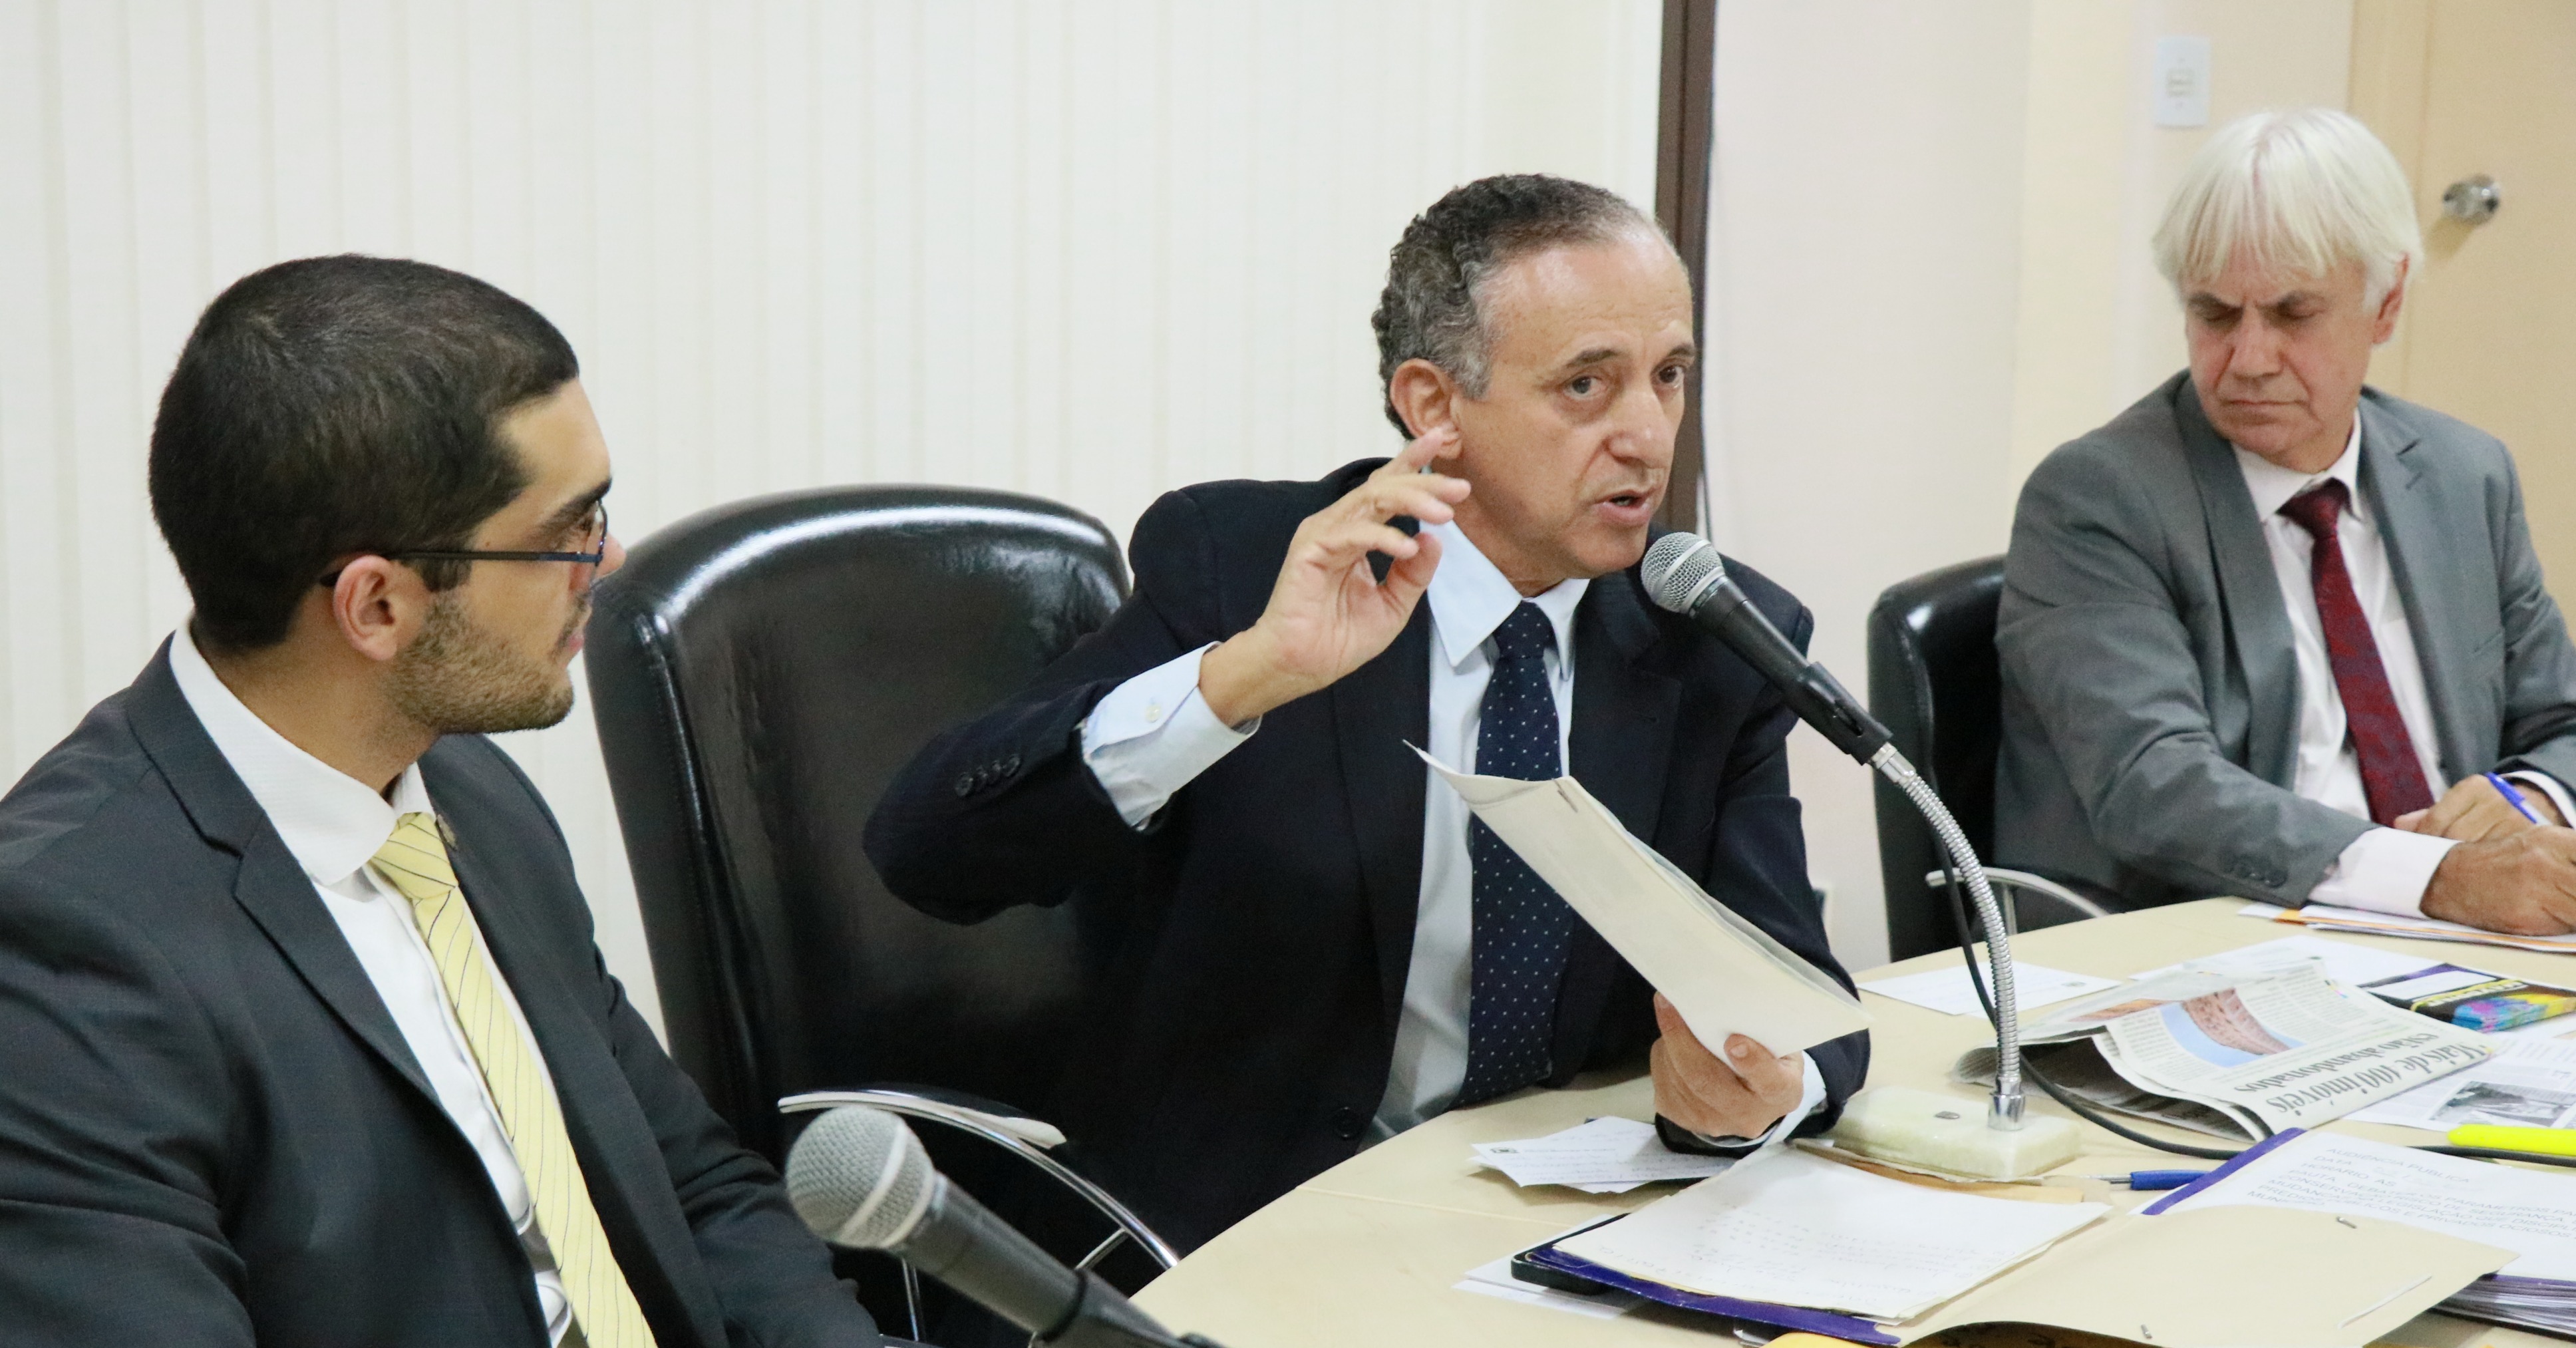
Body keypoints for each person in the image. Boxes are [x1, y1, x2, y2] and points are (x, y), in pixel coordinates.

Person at [0, 257, 944, 1348]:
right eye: (565, 534)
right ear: (377, 603)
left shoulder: (469, 803)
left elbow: (689, 1184)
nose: (605, 566)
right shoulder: (63, 945)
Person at [866, 175, 1867, 1252]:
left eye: (1668, 376)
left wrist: (1770, 1089)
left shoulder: (1711, 637)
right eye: (1586, 385)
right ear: (1434, 407)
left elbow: (1803, 996)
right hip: (1234, 1241)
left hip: (1541, 1235)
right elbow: (930, 853)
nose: (1646, 434)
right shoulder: (1244, 570)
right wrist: (1245, 676)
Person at [1998, 108, 2576, 934]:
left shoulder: (2462, 475)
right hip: (2217, 935)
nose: (2248, 359)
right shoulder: (2098, 497)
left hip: (2460, 939)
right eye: (2213, 314)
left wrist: (2525, 800)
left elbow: (2561, 721)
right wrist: (2433, 876)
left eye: (2292, 314)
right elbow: (2153, 784)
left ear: (2386, 303)